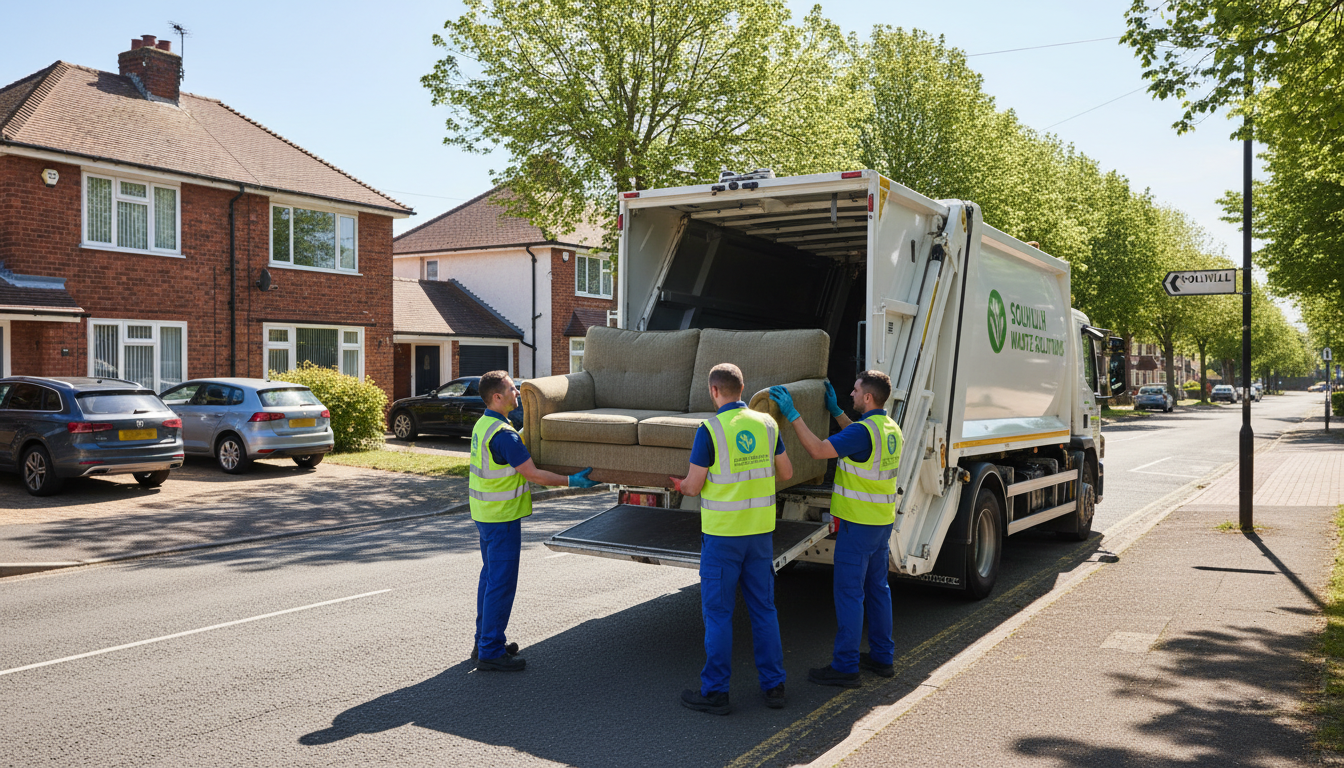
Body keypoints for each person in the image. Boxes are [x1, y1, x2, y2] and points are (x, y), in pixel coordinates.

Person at [672, 363, 793, 715]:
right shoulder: (768, 424)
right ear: (742, 389)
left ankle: (716, 692)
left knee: (720, 614)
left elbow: (693, 486)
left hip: (724, 536)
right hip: (759, 534)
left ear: (714, 391)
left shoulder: (710, 430)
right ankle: (774, 687)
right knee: (764, 610)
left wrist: (679, 485)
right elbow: (786, 472)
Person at [770, 370, 901, 688]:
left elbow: (817, 450)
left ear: (868, 397)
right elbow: (857, 440)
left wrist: (792, 414)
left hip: (858, 525)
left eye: (855, 391)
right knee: (877, 591)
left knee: (849, 595)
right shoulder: (888, 427)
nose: (851, 394)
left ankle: (845, 667)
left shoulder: (863, 432)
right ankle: (883, 658)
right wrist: (836, 411)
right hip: (881, 523)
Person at [469, 370, 599, 672]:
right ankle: (490, 651)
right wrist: (572, 480)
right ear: (497, 397)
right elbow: (534, 474)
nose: (518, 393)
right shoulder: (503, 436)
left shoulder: (484, 425)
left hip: (484, 515)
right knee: (500, 584)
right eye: (513, 389)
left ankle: (485, 641)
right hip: (501, 518)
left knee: (489, 580)